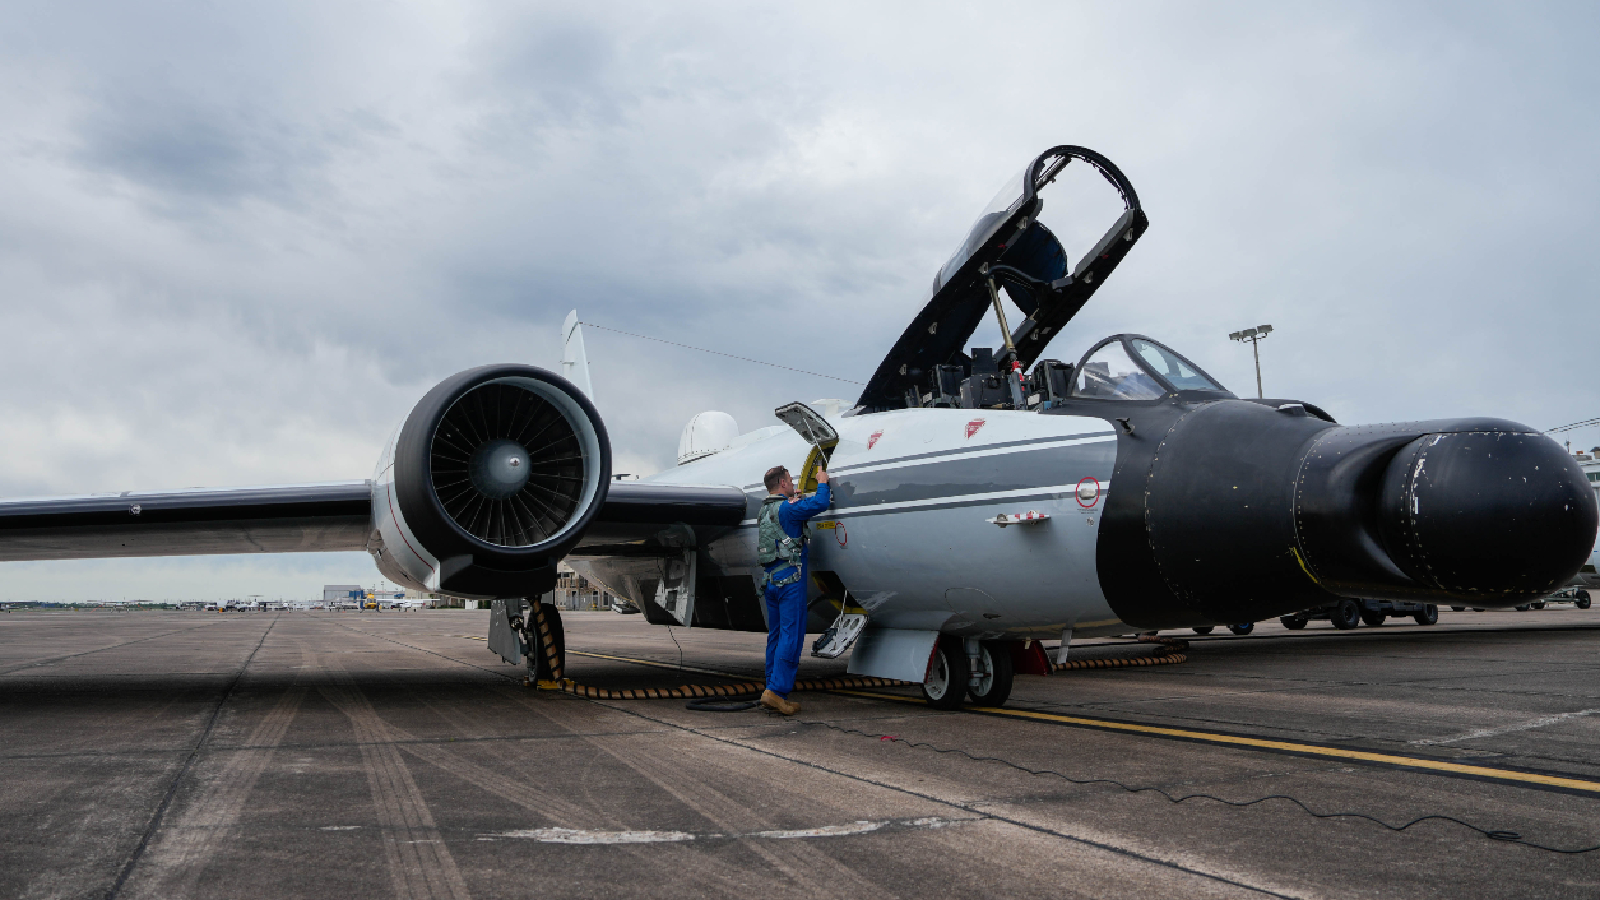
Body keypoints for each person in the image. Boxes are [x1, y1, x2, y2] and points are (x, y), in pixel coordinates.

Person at [757, 463, 832, 715]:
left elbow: (785, 523)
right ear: (782, 484)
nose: (792, 483)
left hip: (770, 582)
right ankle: (777, 693)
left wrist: (795, 499)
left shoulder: (765, 511)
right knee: (792, 634)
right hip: (791, 582)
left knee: (776, 636)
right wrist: (822, 481)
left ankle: (771, 687)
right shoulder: (789, 509)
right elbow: (820, 503)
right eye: (790, 480)